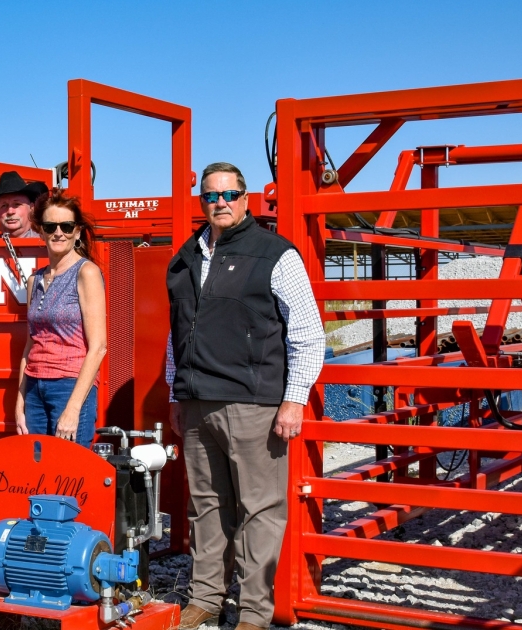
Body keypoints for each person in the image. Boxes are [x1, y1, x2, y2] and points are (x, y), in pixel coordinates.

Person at [165, 163, 325, 630]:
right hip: (197, 402)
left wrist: (294, 399)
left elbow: (308, 334)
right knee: (205, 505)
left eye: (230, 194)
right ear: (202, 202)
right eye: (212, 196)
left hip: (253, 404)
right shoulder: (186, 257)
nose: (221, 202)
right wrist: (177, 392)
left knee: (260, 510)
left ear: (247, 198)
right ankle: (206, 598)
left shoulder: (276, 254)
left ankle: (253, 613)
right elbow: (179, 333)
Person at [14, 190, 106, 447]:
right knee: (37, 473)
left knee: (69, 478)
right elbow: (30, 344)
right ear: (40, 231)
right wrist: (20, 401)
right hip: (34, 389)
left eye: (66, 226)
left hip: (70, 386)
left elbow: (98, 347)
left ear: (77, 232)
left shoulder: (86, 273)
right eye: (50, 226)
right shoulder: (35, 279)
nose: (58, 233)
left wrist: (73, 409)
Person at [0, 170, 48, 239]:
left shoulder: (48, 246)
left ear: (32, 208)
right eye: (4, 205)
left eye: (17, 204)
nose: (10, 211)